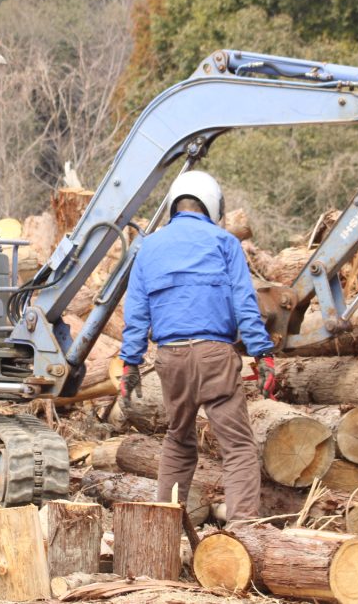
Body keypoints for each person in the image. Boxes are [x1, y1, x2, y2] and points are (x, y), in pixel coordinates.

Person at [119, 170, 277, 521]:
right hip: (214, 356)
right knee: (237, 447)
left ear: (175, 203)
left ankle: (161, 528)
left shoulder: (149, 247)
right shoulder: (224, 243)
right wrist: (262, 353)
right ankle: (244, 534)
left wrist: (129, 364)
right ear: (212, 205)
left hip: (171, 358)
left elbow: (136, 312)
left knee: (178, 440)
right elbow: (244, 303)